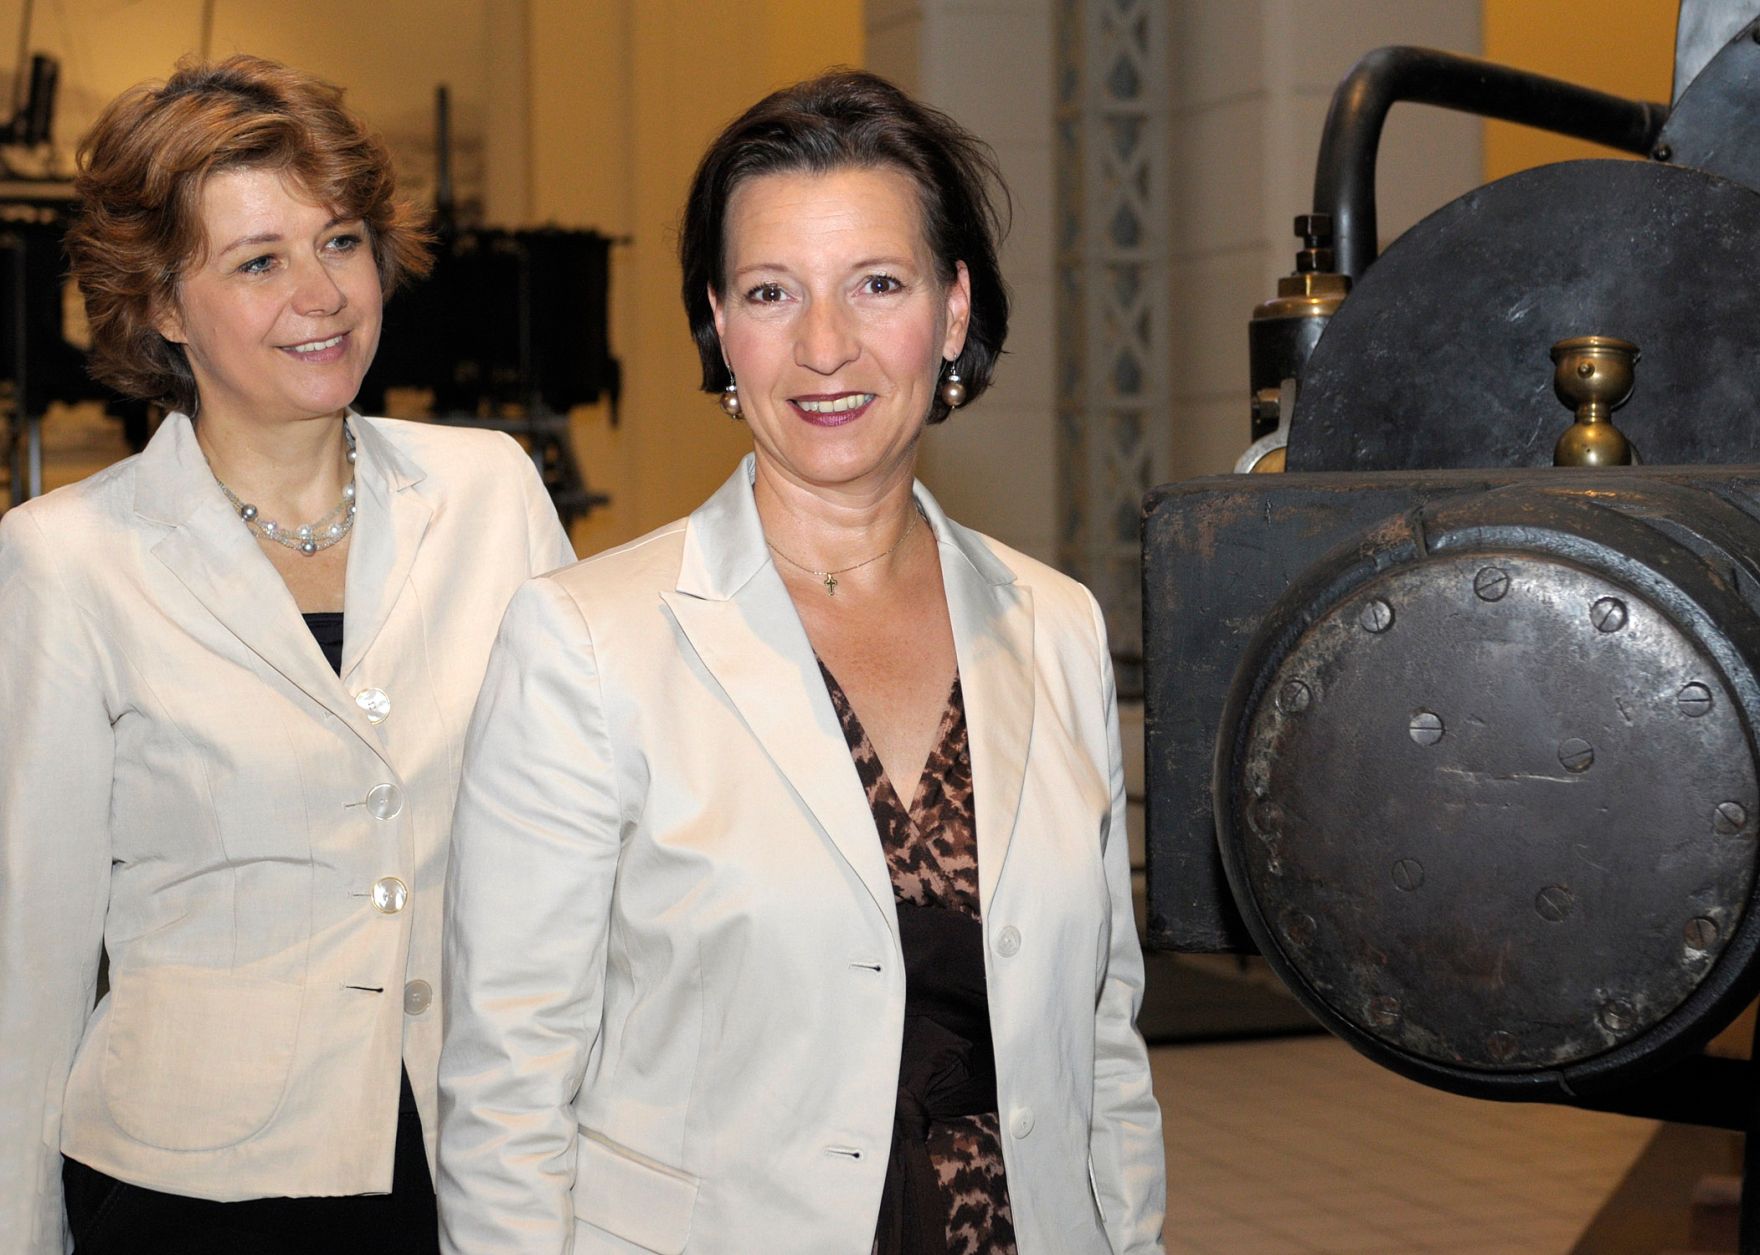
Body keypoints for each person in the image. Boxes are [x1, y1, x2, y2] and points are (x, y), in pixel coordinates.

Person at [437, 69, 1165, 1254]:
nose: (825, 346)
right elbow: (507, 1090)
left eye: (876, 284)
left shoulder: (1054, 624)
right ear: (720, 326)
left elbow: (1103, 1044)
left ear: (951, 310)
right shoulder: (587, 641)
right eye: (772, 292)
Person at [0, 55, 574, 1255]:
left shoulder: (488, 491)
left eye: (343, 242)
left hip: (478, 1157)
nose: (323, 294)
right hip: (192, 1195)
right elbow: (29, 958)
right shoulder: (67, 558)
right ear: (159, 302)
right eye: (259, 261)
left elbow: (580, 844)